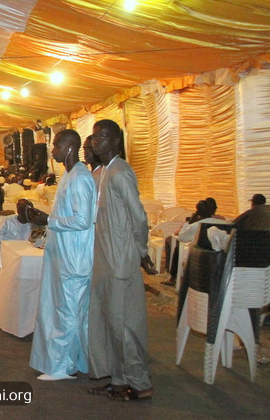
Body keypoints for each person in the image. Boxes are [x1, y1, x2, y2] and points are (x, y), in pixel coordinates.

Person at [87, 119, 154, 401]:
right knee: (106, 324)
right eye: (94, 136)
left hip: (120, 262)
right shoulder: (100, 172)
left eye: (103, 136)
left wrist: (141, 251)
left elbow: (139, 217)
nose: (96, 141)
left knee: (124, 325)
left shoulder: (121, 173)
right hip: (102, 260)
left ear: (116, 141)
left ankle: (139, 385)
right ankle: (117, 379)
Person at [29, 130, 96, 381]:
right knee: (63, 309)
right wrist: (46, 221)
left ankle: (62, 367)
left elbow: (82, 219)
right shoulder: (68, 175)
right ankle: (71, 361)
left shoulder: (80, 177)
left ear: (69, 147)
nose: (52, 150)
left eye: (56, 145)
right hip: (63, 253)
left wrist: (50, 220)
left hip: (74, 258)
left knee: (68, 312)